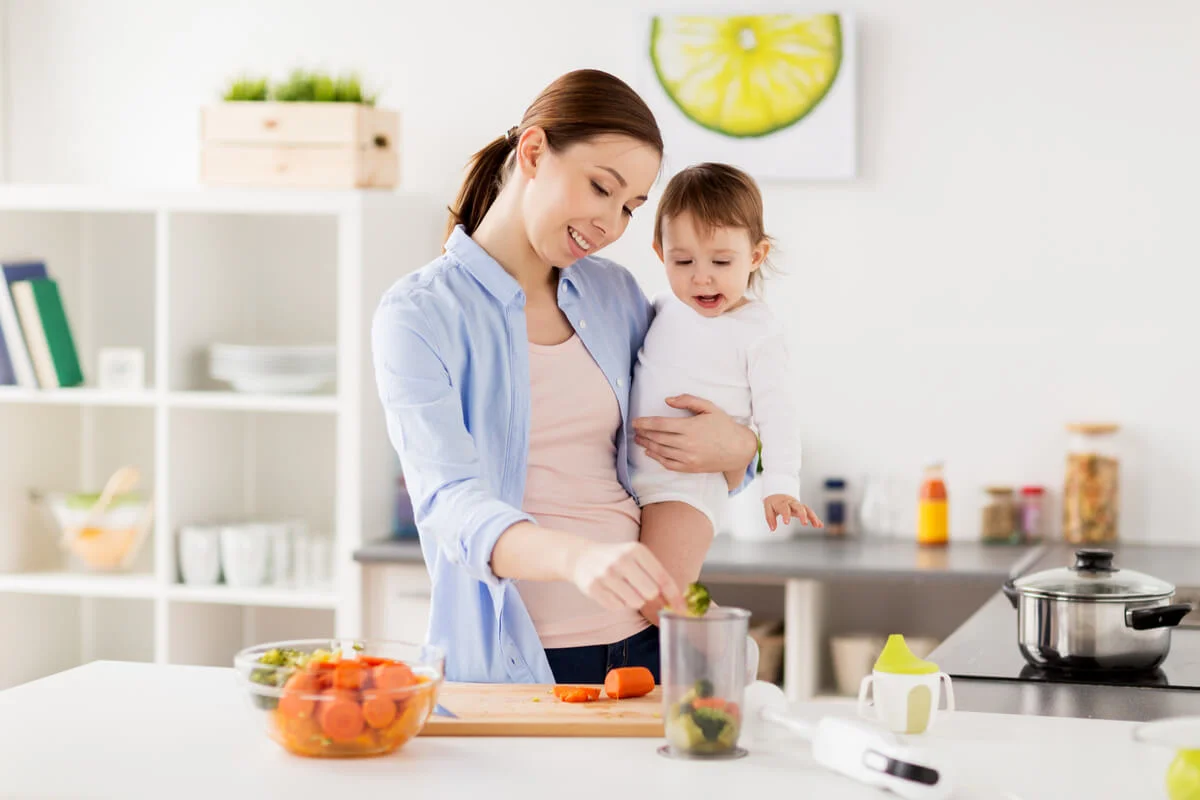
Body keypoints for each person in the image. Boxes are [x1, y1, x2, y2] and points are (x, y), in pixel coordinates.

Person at [370, 69, 760, 685]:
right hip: (521, 662)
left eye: (631, 206)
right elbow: (449, 502)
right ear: (533, 152)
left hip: (648, 647)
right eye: (601, 188)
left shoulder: (616, 296)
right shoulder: (419, 314)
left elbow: (693, 433)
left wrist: (743, 448)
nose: (611, 223)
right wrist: (576, 559)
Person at [630, 163, 824, 626]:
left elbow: (778, 412)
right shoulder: (660, 308)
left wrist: (781, 484)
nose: (702, 278)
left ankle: (735, 656)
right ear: (659, 253)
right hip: (631, 479)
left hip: (686, 486)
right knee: (635, 594)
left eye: (721, 262)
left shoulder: (758, 331)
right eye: (683, 261)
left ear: (756, 256)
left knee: (661, 600)